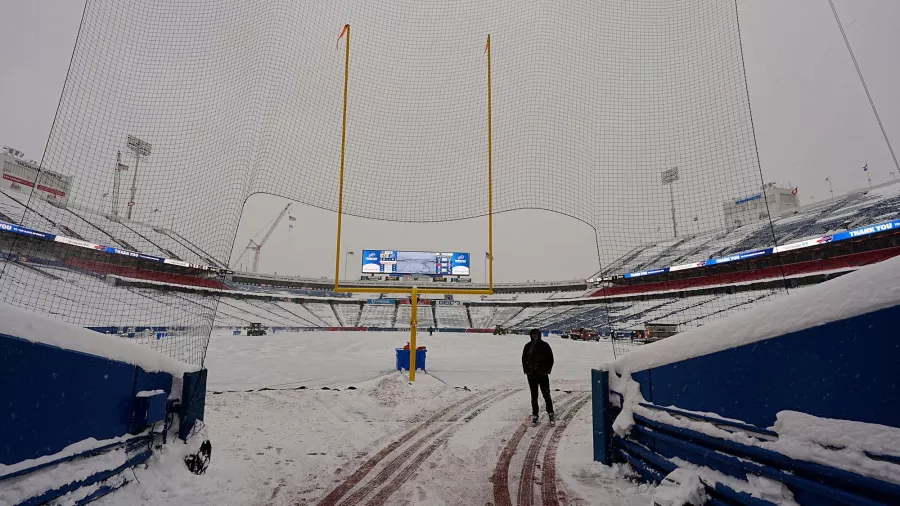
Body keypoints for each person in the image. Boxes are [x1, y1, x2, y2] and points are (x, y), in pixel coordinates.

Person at [522, 328, 554, 425]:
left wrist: (546, 370)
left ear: (539, 335)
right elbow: (523, 359)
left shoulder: (545, 345)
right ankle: (535, 414)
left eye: (536, 334)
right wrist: (527, 371)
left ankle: (550, 412)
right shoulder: (527, 346)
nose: (534, 336)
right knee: (534, 396)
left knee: (546, 394)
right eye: (533, 334)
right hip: (531, 375)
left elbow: (550, 359)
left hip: (542, 375)